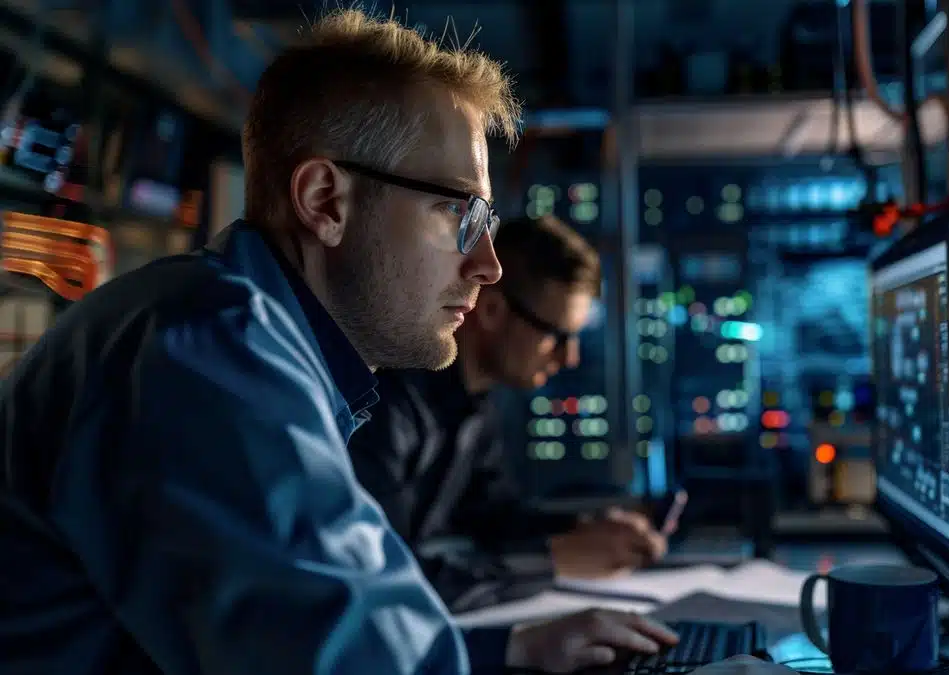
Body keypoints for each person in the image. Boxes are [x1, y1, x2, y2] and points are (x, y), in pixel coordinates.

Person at [0, 9, 680, 675]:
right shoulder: (211, 345)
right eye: (458, 212)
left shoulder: (238, 334)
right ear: (326, 201)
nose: (488, 266)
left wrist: (508, 652)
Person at [348, 214, 668, 605]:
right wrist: (553, 560)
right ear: (492, 311)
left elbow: (494, 514)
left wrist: (586, 530)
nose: (570, 358)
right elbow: (379, 577)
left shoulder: (475, 407)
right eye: (557, 336)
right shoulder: (389, 407)